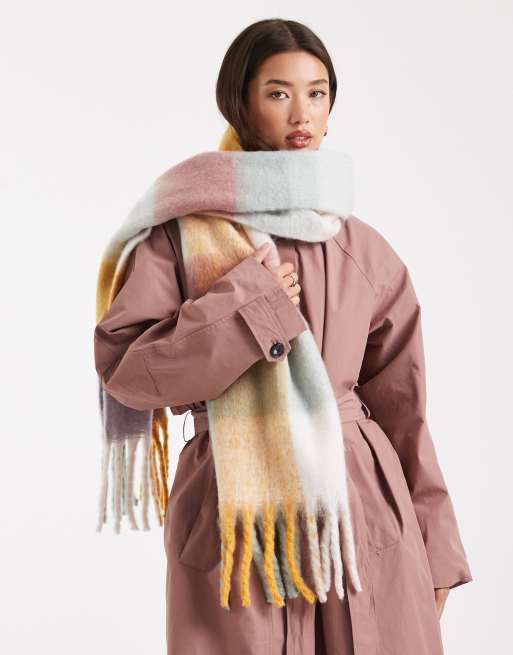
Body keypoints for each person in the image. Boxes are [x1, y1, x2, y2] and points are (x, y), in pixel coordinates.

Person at [93, 18, 473, 655]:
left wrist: (438, 549)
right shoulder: (176, 236)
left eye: (317, 93)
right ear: (240, 103)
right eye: (278, 93)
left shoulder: (365, 251)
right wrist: (248, 310)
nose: (302, 113)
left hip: (361, 514)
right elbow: (129, 375)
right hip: (236, 522)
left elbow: (405, 414)